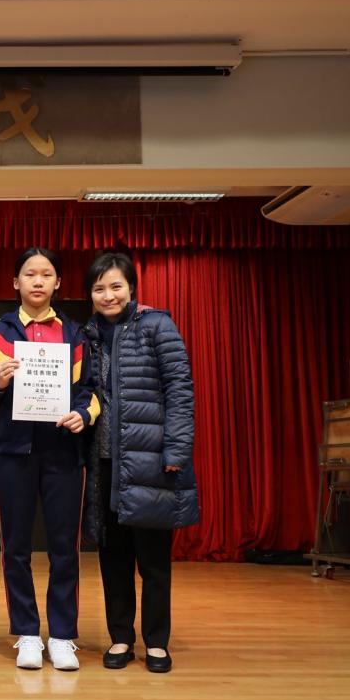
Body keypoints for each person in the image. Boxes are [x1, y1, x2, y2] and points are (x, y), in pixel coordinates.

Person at [0, 248, 100, 671]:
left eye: (46, 274)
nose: (38, 281)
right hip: (13, 452)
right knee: (16, 547)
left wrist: (83, 415)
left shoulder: (75, 333)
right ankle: (26, 632)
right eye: (29, 274)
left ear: (58, 282)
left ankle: (61, 635)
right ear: (16, 282)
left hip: (64, 451)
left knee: (65, 548)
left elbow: (90, 391)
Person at [82, 251, 199, 674]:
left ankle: (157, 642)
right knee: (112, 558)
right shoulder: (86, 334)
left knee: (153, 561)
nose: (108, 295)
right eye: (99, 288)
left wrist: (176, 450)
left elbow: (180, 389)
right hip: (104, 464)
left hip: (151, 460)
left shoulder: (156, 325)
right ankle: (120, 637)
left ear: (131, 287)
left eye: (116, 286)